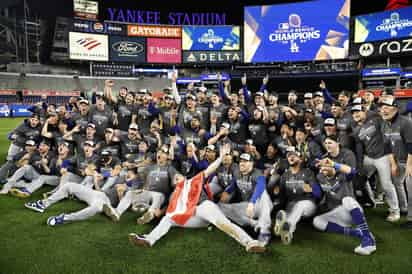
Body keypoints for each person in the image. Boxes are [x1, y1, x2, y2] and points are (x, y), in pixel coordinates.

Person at [127, 144, 266, 253]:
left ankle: (249, 242)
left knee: (223, 223)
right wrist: (160, 212)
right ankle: (149, 239)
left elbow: (209, 170)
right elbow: (171, 210)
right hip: (194, 216)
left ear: (183, 176)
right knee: (168, 219)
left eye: (178, 176)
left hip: (204, 207)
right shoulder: (176, 193)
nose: (177, 178)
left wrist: (220, 157)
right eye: (175, 179)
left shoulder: (192, 180)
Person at [312, 135, 376, 255]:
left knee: (347, 200)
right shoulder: (320, 177)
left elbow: (352, 171)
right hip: (336, 213)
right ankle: (356, 232)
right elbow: (317, 193)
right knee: (317, 221)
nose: (324, 168)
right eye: (325, 143)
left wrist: (335, 165)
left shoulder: (341, 174)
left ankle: (368, 241)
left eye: (330, 142)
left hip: (351, 210)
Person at [273, 146, 321, 244]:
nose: (291, 157)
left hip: (308, 205)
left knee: (300, 205)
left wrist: (311, 189)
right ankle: (284, 221)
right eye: (289, 156)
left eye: (294, 155)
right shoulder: (285, 175)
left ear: (300, 158)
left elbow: (318, 193)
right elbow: (281, 197)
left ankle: (288, 227)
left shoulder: (308, 172)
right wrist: (276, 194)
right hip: (291, 205)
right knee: (290, 208)